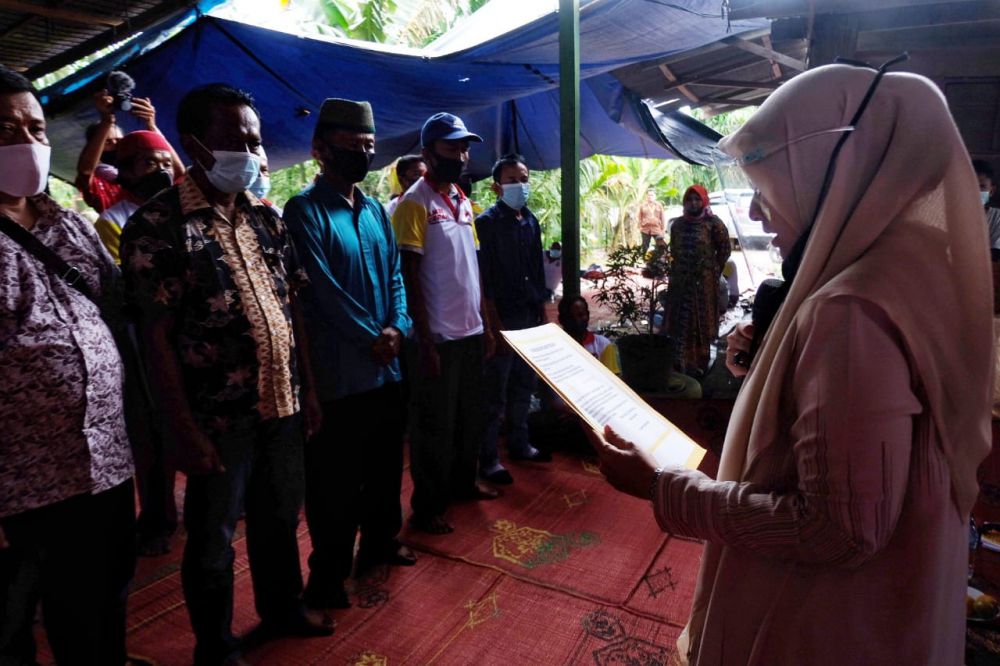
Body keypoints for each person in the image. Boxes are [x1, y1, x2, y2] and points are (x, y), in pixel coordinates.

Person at [592, 64, 992, 665]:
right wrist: (777, 363)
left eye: (770, 184)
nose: (757, 213)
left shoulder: (851, 312)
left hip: (825, 624)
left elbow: (838, 529)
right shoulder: (914, 273)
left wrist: (661, 488)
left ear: (833, 172)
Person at [121, 83, 332, 665]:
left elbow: (292, 309)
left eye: (254, 141)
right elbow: (154, 339)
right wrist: (179, 429)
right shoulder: (157, 226)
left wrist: (309, 390)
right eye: (237, 140)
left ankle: (282, 608)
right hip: (215, 418)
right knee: (213, 536)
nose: (251, 152)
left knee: (279, 517)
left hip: (282, 402)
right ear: (194, 145)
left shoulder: (266, 218)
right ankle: (214, 646)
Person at [0, 65, 137, 666]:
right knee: (12, 622)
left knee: (101, 598)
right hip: (20, 481)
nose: (26, 142)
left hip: (103, 461)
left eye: (34, 128)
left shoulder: (69, 225)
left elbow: (117, 304)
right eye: (5, 131)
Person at [283, 98, 415, 611]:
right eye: (351, 145)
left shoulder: (377, 210)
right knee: (334, 481)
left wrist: (397, 328)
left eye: (369, 145)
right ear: (321, 149)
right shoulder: (305, 211)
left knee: (385, 467)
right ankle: (330, 573)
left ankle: (381, 542)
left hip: (387, 369)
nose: (362, 153)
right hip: (340, 375)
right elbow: (321, 290)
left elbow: (396, 277)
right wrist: (371, 338)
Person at [392, 112, 498, 535]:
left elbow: (473, 267)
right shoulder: (414, 203)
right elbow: (409, 275)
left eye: (463, 148)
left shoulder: (462, 199)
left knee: (469, 417)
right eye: (451, 147)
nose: (461, 155)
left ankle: (463, 483)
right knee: (434, 426)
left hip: (470, 331)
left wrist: (486, 325)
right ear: (428, 152)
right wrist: (425, 341)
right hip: (436, 336)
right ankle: (428, 507)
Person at [476, 153, 550, 486]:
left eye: (524, 179)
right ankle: (489, 459)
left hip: (529, 315)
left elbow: (537, 270)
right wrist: (494, 325)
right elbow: (485, 280)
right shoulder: (487, 224)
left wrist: (541, 312)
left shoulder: (530, 221)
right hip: (502, 318)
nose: (520, 186)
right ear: (496, 187)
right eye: (512, 180)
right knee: (495, 393)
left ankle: (520, 444)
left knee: (524, 385)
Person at [76, 88, 184, 214]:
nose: (116, 145)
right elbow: (85, 171)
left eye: (119, 140)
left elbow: (179, 174)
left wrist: (151, 125)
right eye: (107, 142)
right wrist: (107, 121)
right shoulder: (105, 188)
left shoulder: (164, 189)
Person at [662, 185, 731, 376]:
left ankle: (699, 363)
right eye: (689, 199)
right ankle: (680, 362)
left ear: (704, 201)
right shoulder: (678, 225)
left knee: (700, 320)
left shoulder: (713, 223)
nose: (693, 203)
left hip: (703, 284)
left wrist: (712, 270)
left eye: (697, 199)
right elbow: (674, 251)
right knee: (680, 319)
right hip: (680, 281)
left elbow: (725, 250)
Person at [94, 129, 179, 263]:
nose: (162, 171)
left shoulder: (184, 207)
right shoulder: (112, 221)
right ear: (126, 171)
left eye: (167, 164)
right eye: (150, 163)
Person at [973, 159, 1000, 250]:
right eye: (971, 185)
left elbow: (996, 254)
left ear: (991, 191)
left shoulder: (997, 217)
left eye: (982, 186)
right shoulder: (947, 216)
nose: (976, 191)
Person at [638, 189, 666, 254]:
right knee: (645, 246)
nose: (650, 196)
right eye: (648, 195)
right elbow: (639, 217)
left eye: (652, 195)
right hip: (645, 229)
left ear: (655, 196)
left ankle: (660, 258)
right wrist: (640, 227)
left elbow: (662, 218)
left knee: (660, 245)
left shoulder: (659, 205)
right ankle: (645, 259)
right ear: (646, 196)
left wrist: (663, 229)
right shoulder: (642, 206)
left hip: (656, 229)